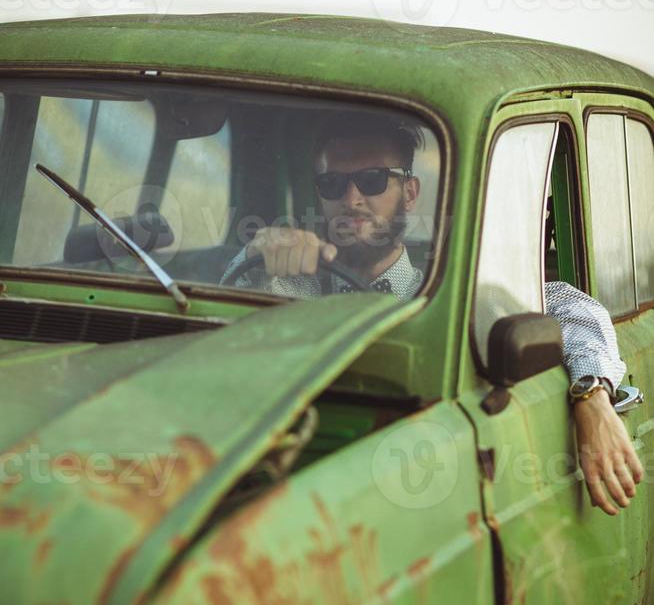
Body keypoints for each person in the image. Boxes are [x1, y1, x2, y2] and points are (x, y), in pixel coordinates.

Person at [221, 113, 643, 516]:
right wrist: (259, 249)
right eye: (332, 184)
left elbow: (572, 308)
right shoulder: (293, 285)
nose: (352, 199)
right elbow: (217, 340)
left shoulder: (450, 290)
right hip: (287, 478)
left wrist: (591, 397)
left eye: (372, 180)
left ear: (409, 191)